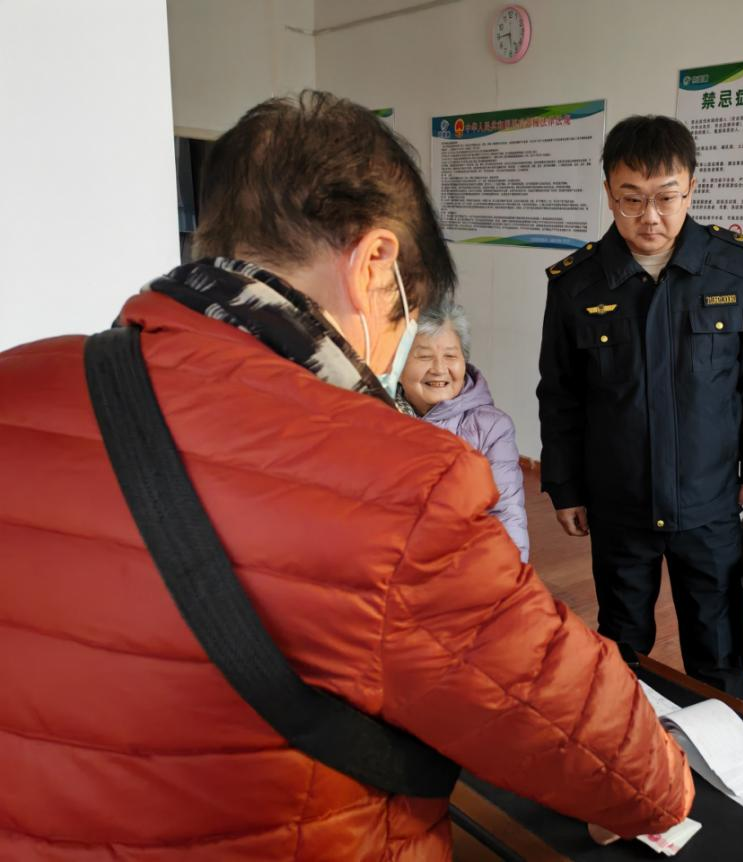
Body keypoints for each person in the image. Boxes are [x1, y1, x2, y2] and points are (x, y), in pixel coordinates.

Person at [0, 92, 693, 861]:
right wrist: (668, 776)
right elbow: (626, 771)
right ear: (374, 265)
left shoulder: (18, 380)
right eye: (406, 320)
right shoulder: (398, 480)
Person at [537, 114, 743, 700]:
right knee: (623, 644)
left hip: (711, 499)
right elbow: (560, 393)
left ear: (691, 188)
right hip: (619, 500)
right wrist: (565, 486)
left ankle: (722, 744)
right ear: (608, 193)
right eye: (632, 199)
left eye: (666, 197)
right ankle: (626, 742)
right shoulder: (577, 284)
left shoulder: (737, 269)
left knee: (718, 647)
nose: (650, 216)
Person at [397, 303, 529, 561]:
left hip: (461, 568)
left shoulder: (491, 428)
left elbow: (506, 515)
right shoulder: (376, 418)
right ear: (397, 364)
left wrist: (510, 577)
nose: (439, 368)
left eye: (450, 356)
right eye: (424, 356)